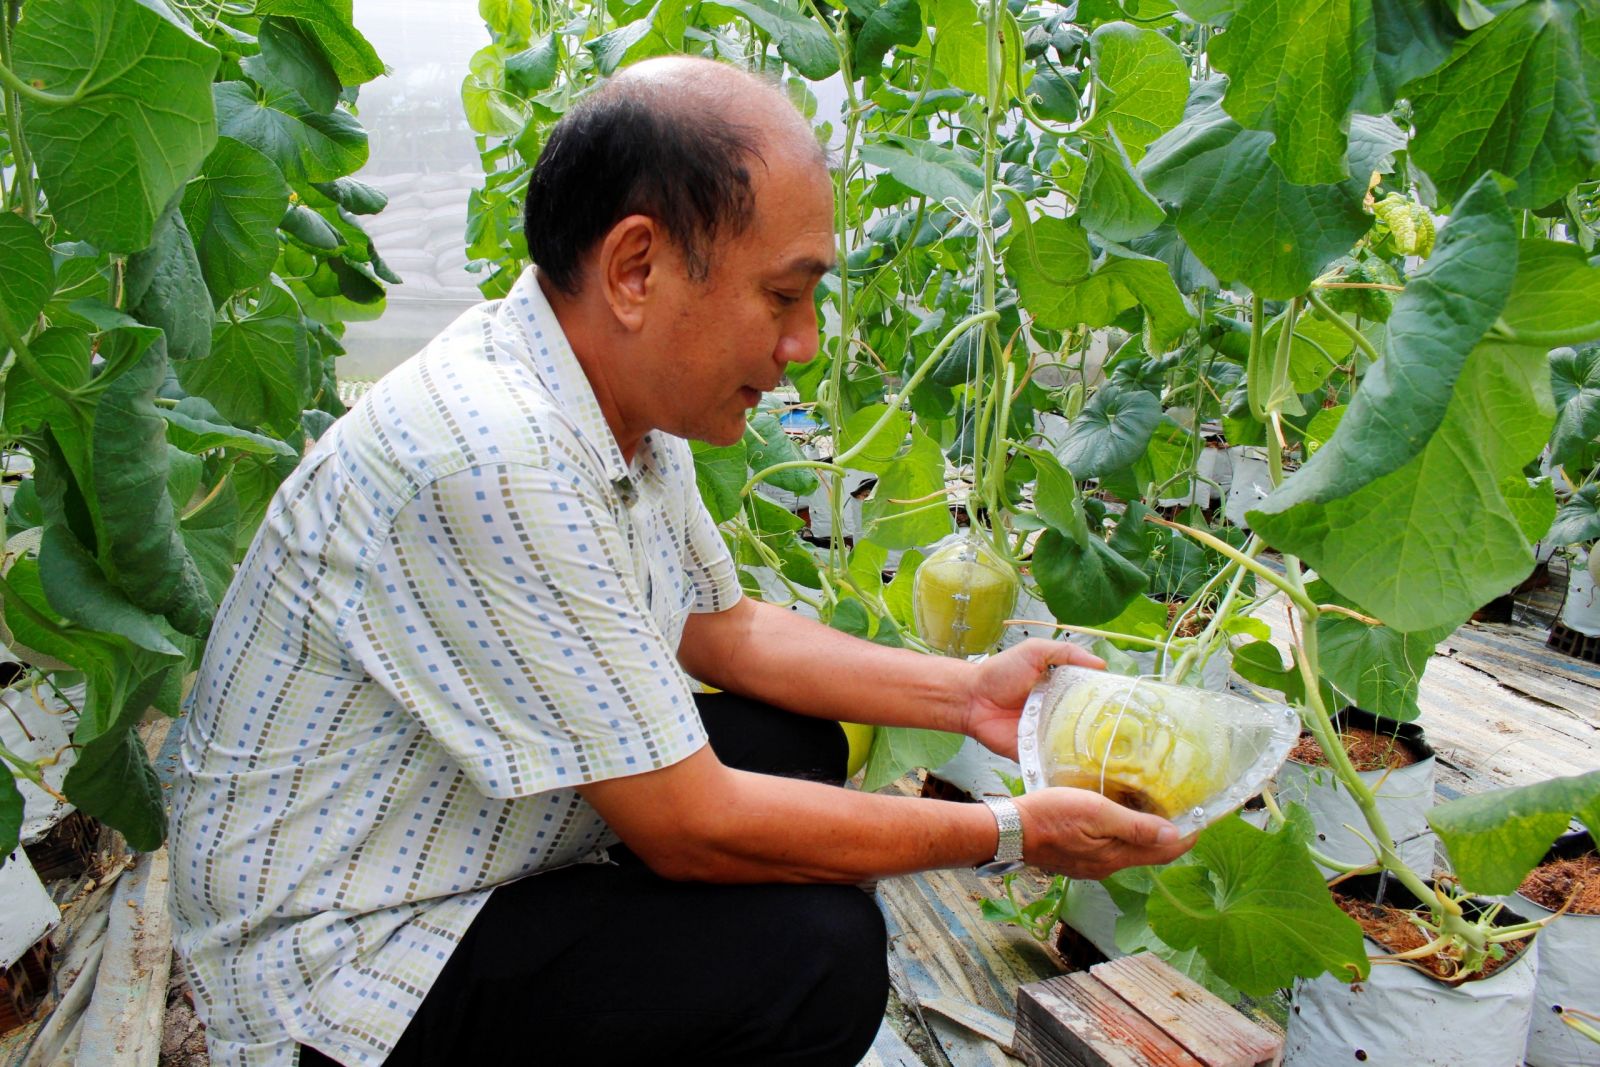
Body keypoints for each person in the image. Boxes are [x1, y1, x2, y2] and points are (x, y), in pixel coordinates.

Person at [168, 56, 1193, 1067]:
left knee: (787, 743)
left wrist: (969, 693)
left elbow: (724, 628)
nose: (804, 342)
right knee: (818, 958)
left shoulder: (610, 395)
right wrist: (1013, 830)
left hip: (451, 833)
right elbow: (690, 826)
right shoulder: (491, 451)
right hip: (341, 967)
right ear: (636, 269)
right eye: (784, 296)